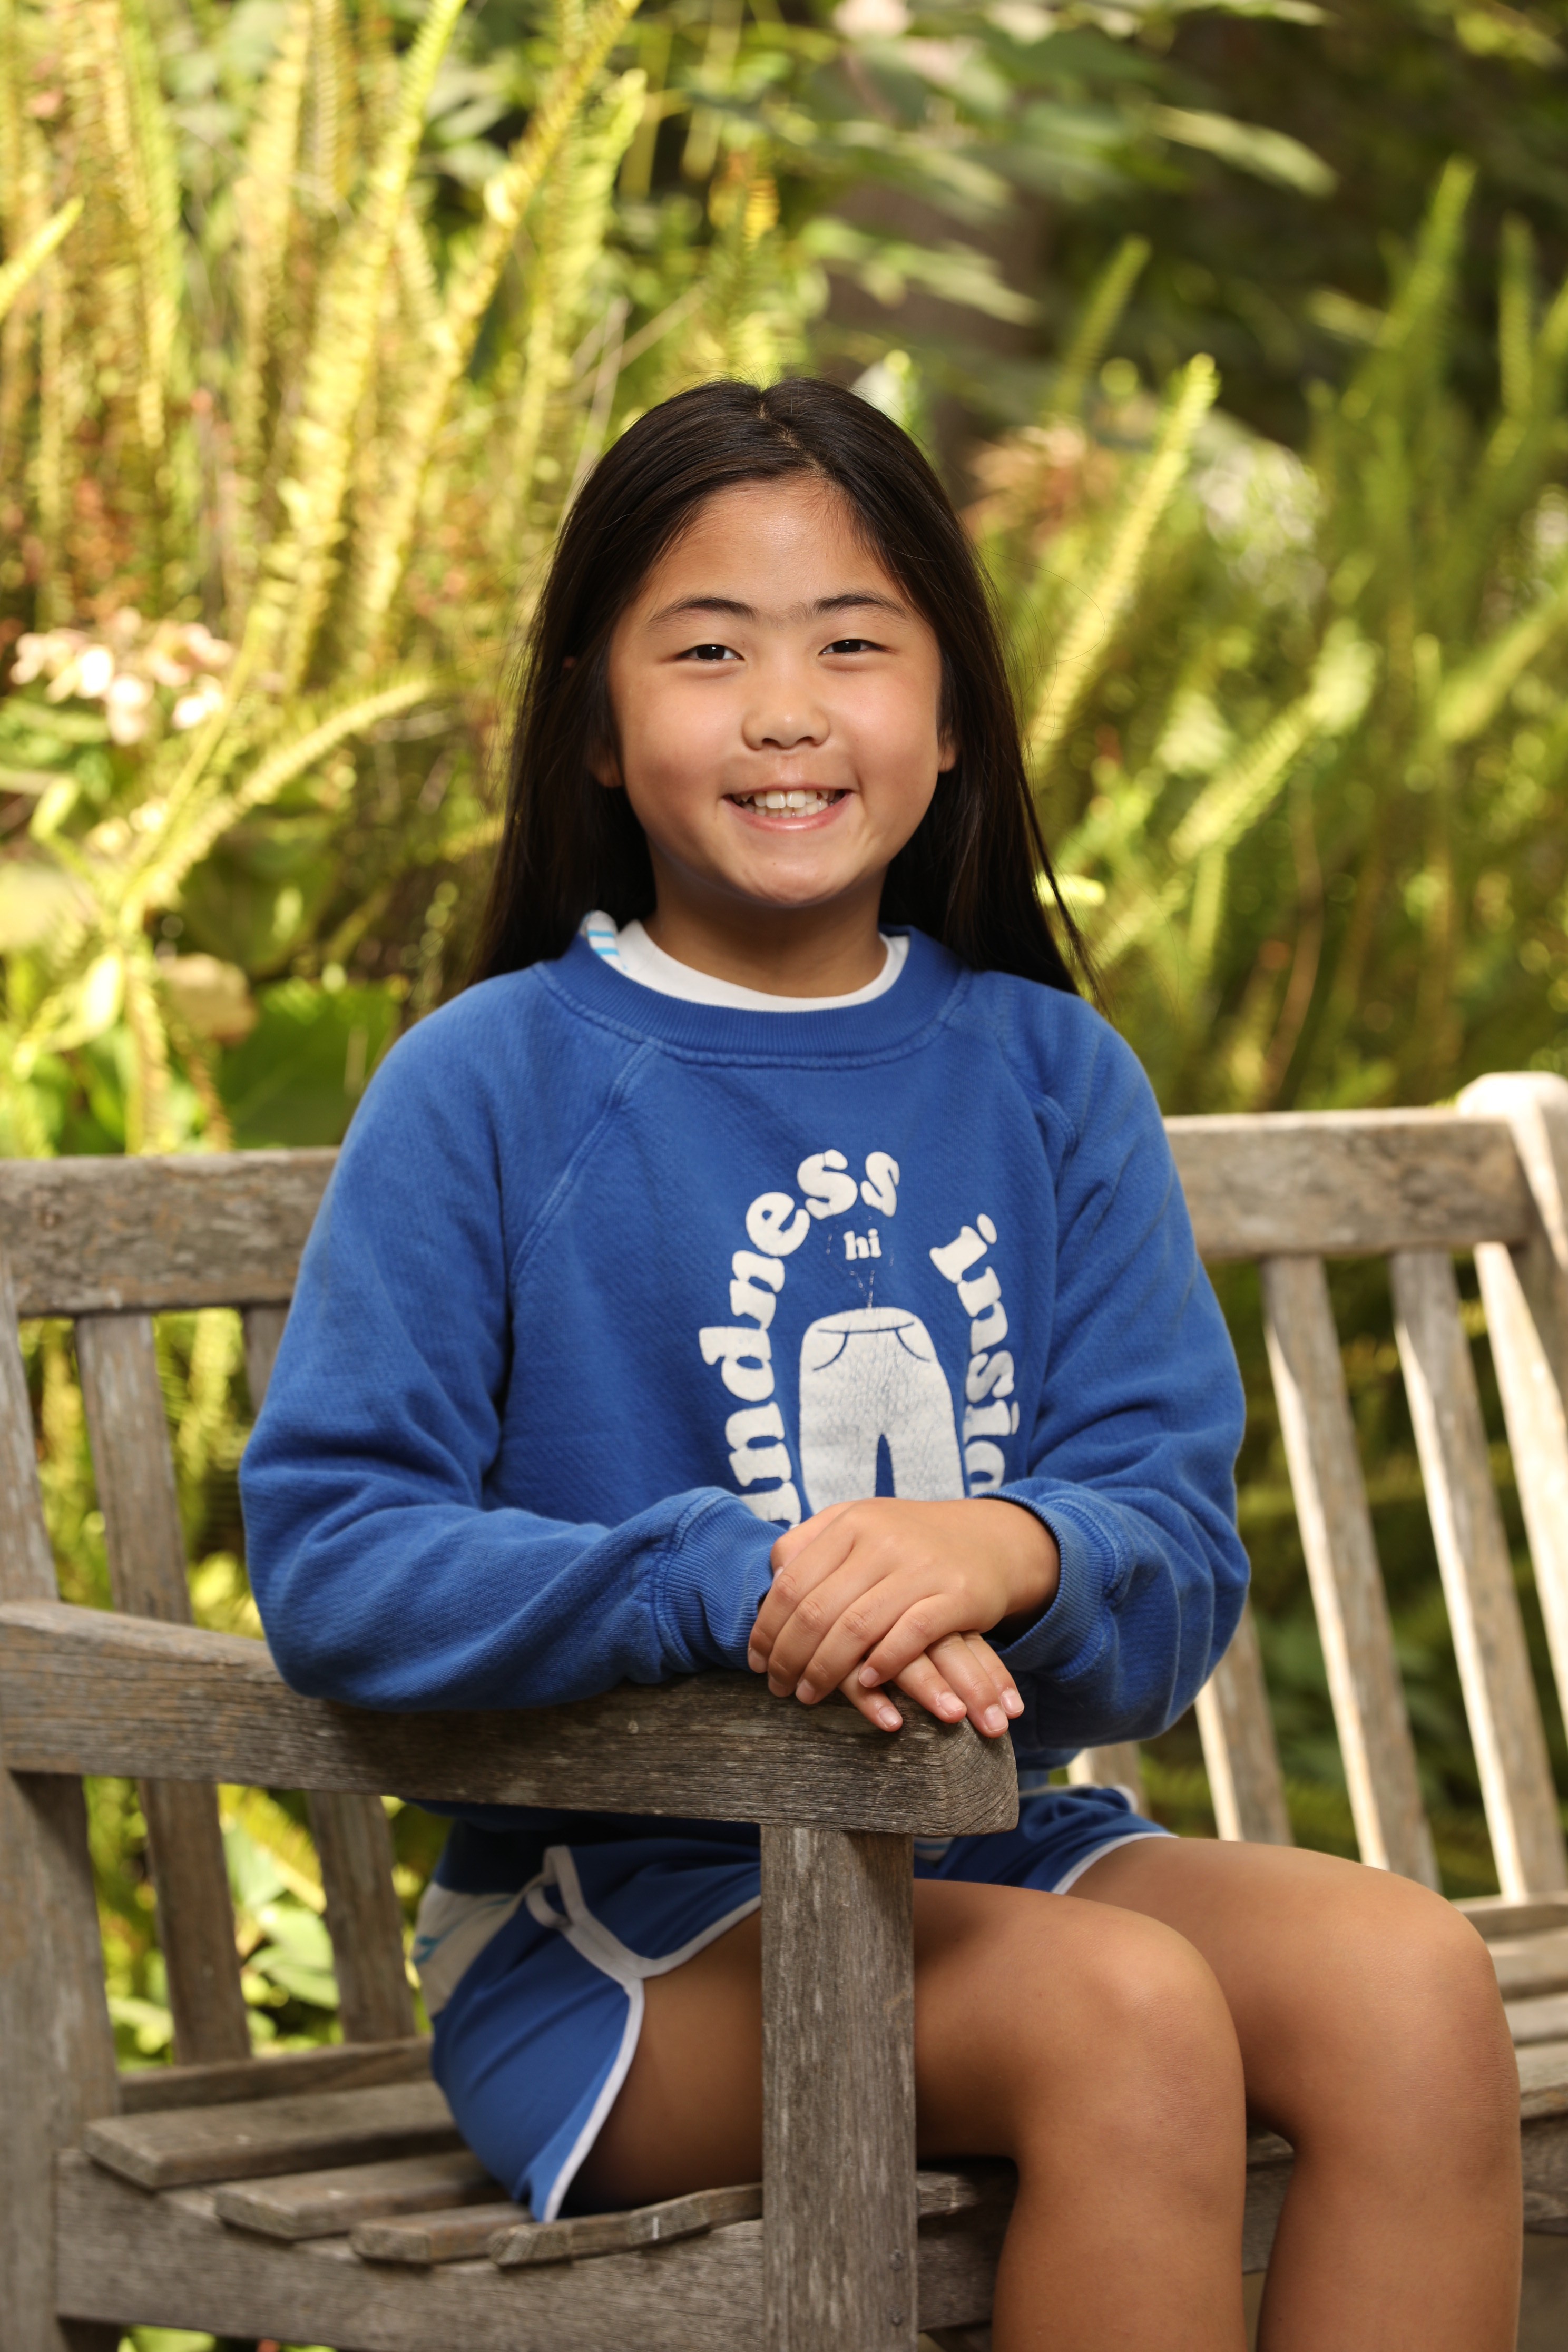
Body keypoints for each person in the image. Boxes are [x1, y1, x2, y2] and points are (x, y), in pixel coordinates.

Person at [242, 377, 1520, 2351]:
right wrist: (718, 1578)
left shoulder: (1053, 1078)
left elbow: (1171, 1555)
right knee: (1124, 2018)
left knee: (1411, 1988)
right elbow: (337, 1556)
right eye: (709, 651)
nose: (786, 710)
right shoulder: (489, 1084)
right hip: (624, 1931)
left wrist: (1018, 1547)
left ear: (954, 719)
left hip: (990, 1851)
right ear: (596, 724)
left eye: (854, 645)